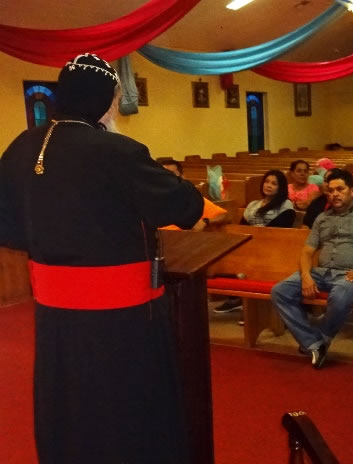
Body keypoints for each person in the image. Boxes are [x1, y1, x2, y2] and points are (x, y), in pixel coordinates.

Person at [0, 53, 202, 462]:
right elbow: (185, 207)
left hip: (55, 310)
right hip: (120, 315)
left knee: (71, 399)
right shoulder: (116, 150)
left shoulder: (22, 146)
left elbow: (7, 226)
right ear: (102, 100)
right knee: (123, 404)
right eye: (113, 98)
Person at [271, 169, 353, 368]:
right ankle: (314, 343)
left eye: (340, 189)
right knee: (279, 291)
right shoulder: (322, 218)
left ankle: (318, 339)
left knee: (339, 296)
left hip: (351, 276)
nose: (334, 194)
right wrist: (306, 277)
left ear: (352, 191)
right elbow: (307, 252)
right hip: (320, 273)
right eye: (331, 190)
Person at [159, 159, 230, 231]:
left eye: (171, 174)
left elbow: (224, 216)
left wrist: (206, 222)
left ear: (181, 177)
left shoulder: (191, 200)